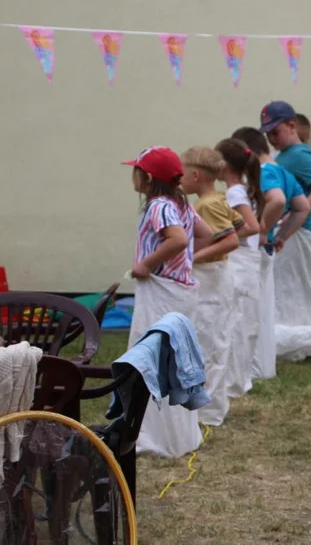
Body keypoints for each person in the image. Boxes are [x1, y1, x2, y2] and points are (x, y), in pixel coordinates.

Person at [123, 146, 215, 457]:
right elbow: (207, 235)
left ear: (146, 178)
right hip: (180, 292)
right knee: (175, 360)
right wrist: (184, 260)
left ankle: (155, 436)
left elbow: (176, 239)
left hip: (161, 293)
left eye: (135, 169)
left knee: (151, 357)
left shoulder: (158, 206)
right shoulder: (181, 204)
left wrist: (147, 264)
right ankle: (176, 434)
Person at [231, 126, 311, 381]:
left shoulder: (264, 172)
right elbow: (302, 207)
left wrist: (262, 228)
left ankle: (250, 367)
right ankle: (262, 366)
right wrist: (282, 235)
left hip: (253, 251)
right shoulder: (284, 172)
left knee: (250, 309)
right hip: (267, 250)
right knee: (264, 308)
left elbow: (276, 200)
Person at [181, 146, 244, 426]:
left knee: (210, 343)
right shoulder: (218, 198)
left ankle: (208, 411)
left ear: (195, 175)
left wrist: (193, 256)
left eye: (181, 173)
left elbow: (231, 240)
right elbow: (238, 225)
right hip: (217, 277)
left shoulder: (206, 204)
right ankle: (209, 406)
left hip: (212, 279)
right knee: (213, 340)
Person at [260, 100, 311, 328]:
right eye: (268, 134)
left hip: (299, 232)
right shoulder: (285, 155)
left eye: (275, 132)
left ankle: (301, 334)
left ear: (292, 126)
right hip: (292, 231)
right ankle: (293, 333)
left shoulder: (299, 155)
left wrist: (301, 211)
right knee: (289, 287)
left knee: (296, 287)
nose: (271, 138)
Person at [217, 137, 265, 396]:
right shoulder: (244, 188)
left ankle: (234, 380)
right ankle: (238, 377)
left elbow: (252, 226)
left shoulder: (234, 192)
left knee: (235, 321)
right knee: (243, 322)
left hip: (240, 263)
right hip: (248, 263)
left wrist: (225, 235)